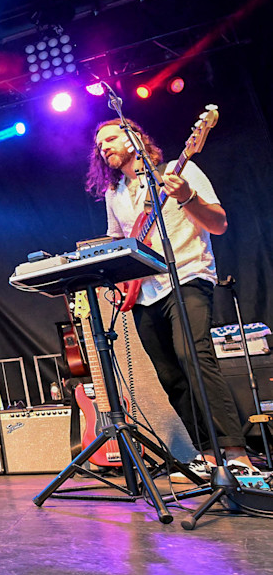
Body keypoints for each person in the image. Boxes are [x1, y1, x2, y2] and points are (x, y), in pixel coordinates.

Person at [88, 117, 254, 477]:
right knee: (169, 374)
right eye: (100, 144)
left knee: (193, 355)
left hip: (187, 277)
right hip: (145, 293)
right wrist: (115, 279)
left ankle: (236, 452)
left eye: (111, 139)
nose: (104, 148)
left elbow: (219, 224)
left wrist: (186, 197)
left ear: (135, 137)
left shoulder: (183, 169)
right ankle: (207, 455)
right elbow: (118, 241)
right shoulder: (113, 194)